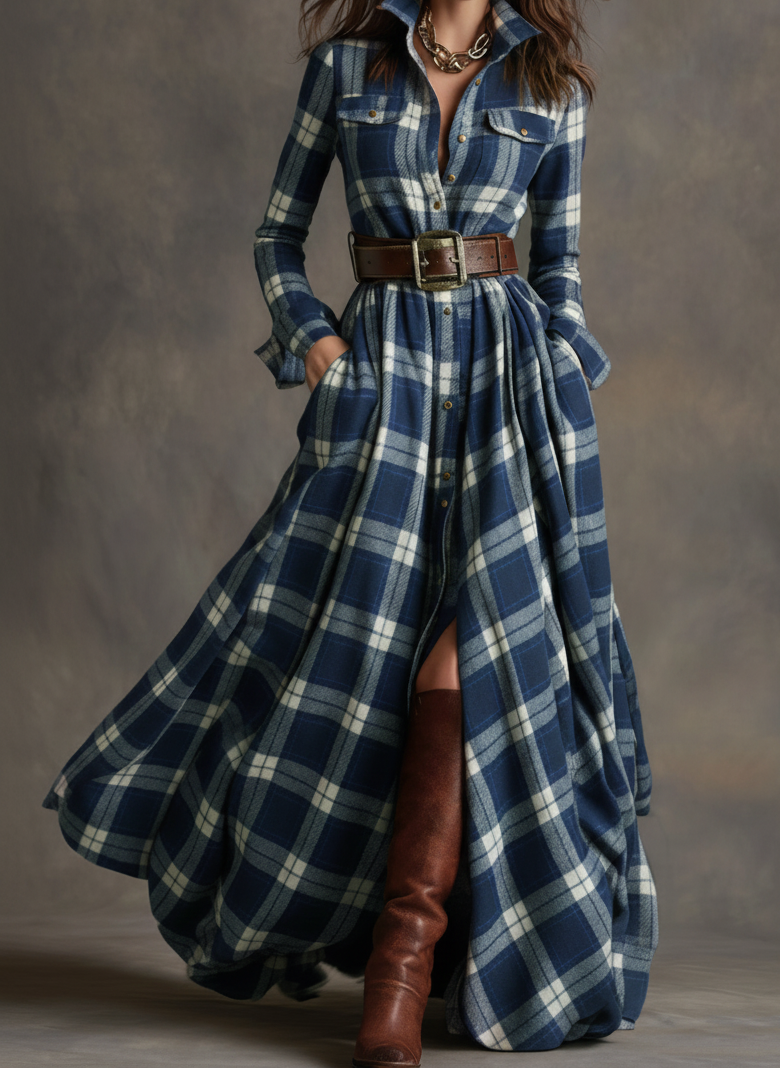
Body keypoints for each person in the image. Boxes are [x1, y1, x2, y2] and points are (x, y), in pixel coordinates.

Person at [44, 0, 658, 1065]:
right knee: (349, 657)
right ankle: (304, 898)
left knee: (481, 654)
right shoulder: (346, 69)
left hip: (510, 401)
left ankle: (402, 968)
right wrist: (321, 350)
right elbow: (276, 237)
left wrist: (561, 367)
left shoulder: (550, 87)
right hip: (385, 392)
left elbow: (556, 264)